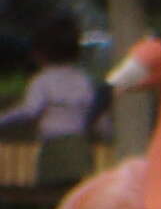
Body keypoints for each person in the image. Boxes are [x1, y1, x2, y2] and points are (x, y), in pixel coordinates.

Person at [0, 11, 100, 188]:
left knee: (50, 192)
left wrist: (4, 118)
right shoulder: (83, 79)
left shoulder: (42, 80)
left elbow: (30, 110)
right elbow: (91, 109)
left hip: (54, 146)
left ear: (39, 53)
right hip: (79, 146)